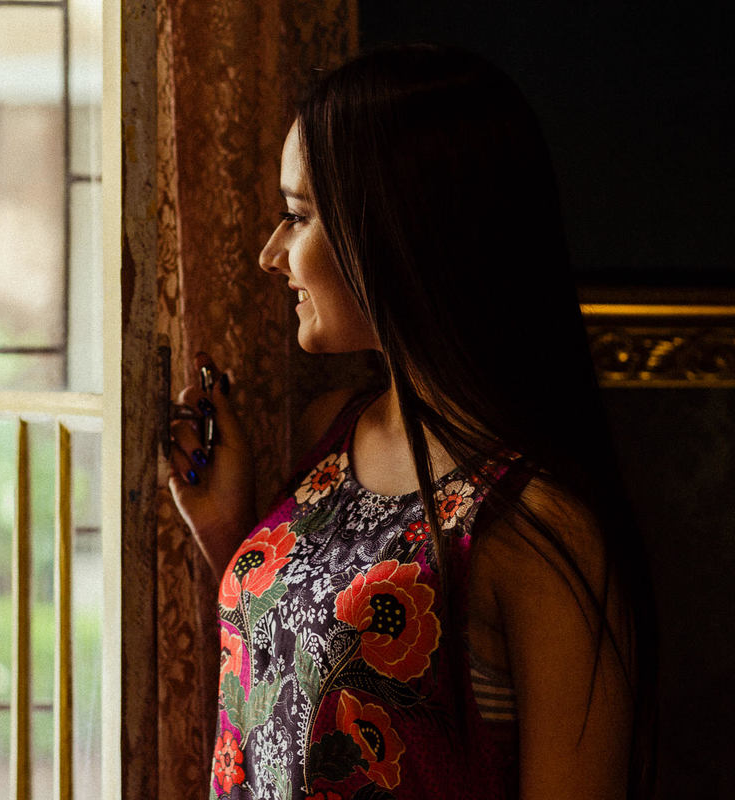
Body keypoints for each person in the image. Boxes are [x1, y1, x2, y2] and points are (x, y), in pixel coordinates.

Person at [166, 44, 656, 800]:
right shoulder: (329, 432)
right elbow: (295, 692)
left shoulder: (536, 526)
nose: (272, 255)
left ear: (396, 228)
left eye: (297, 217)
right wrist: (231, 535)